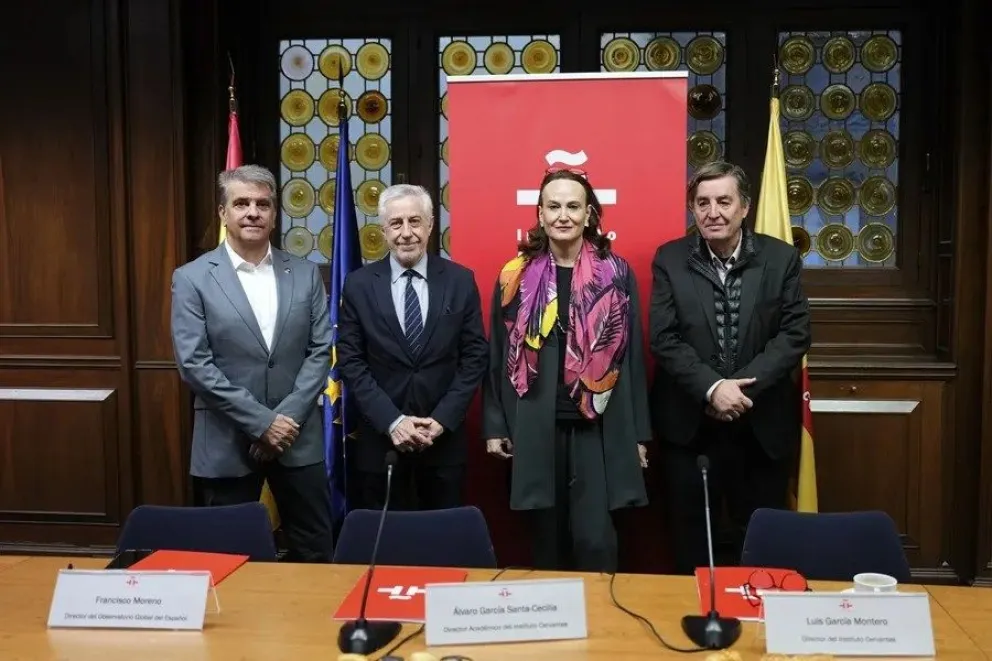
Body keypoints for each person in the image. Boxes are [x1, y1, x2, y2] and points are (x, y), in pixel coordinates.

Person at [482, 169, 651, 573]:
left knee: (596, 539)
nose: (563, 215)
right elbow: (496, 355)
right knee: (546, 541)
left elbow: (633, 361)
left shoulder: (617, 273)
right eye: (553, 206)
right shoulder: (514, 276)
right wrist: (495, 426)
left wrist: (639, 435)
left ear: (589, 214)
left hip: (599, 425)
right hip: (535, 424)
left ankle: (603, 628)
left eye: (573, 206)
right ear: (539, 215)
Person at [649, 160, 812, 574]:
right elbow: (664, 338)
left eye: (724, 201)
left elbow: (794, 335)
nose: (713, 212)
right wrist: (711, 388)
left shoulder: (781, 259)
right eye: (702, 203)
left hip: (760, 429)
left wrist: (738, 393)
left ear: (745, 208)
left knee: (760, 548)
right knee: (689, 547)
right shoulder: (669, 259)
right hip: (690, 430)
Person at [170, 164, 334, 562]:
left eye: (262, 204)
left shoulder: (306, 273)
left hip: (297, 439)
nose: (252, 212)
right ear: (223, 213)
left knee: (315, 549)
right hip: (227, 442)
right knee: (226, 556)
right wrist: (262, 424)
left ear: (275, 214)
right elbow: (194, 363)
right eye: (241, 203)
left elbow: (320, 350)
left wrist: (284, 422)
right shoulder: (191, 278)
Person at [336, 184, 488, 511]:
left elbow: (475, 356)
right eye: (396, 223)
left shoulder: (460, 281)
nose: (407, 233)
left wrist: (442, 420)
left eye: (415, 222)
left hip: (443, 444)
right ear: (383, 231)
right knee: (387, 547)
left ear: (431, 225)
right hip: (381, 447)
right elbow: (351, 361)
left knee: (443, 548)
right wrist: (393, 422)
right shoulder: (359, 285)